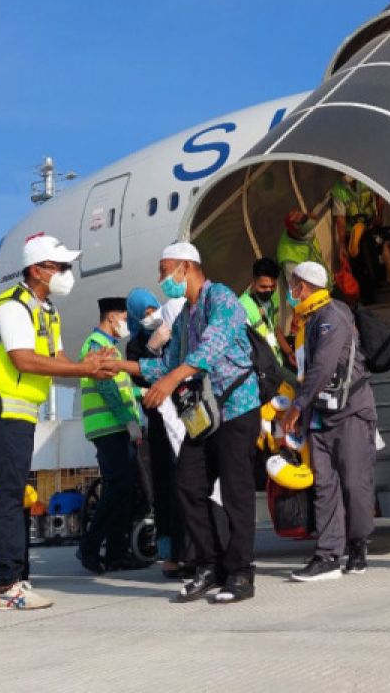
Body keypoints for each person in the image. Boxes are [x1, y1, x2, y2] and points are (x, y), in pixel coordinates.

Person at [0, 233, 119, 611]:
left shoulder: (46, 310)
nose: (68, 273)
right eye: (60, 266)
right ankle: (5, 586)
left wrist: (90, 369)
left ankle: (14, 578)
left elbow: (59, 357)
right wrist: (83, 367)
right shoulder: (13, 307)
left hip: (19, 411)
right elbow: (24, 360)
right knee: (6, 494)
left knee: (13, 492)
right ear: (36, 270)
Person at [109, 242, 261, 604]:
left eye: (166, 270)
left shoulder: (220, 298)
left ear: (187, 267)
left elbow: (211, 346)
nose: (163, 278)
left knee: (236, 490)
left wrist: (172, 379)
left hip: (237, 407)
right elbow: (164, 365)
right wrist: (121, 366)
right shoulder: (185, 317)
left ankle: (240, 572)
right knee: (187, 485)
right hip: (204, 415)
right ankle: (209, 565)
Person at [280, 261, 378, 581]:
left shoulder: (331, 316)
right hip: (321, 414)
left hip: (350, 411)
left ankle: (358, 545)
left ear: (304, 287)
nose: (291, 292)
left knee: (354, 482)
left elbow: (322, 368)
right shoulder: (307, 320)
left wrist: (296, 407)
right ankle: (327, 554)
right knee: (324, 484)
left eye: (293, 285)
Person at [76, 296, 150, 575]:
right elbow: (107, 389)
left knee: (123, 489)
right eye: (123, 317)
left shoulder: (110, 347)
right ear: (111, 317)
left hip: (115, 426)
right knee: (118, 487)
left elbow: (122, 388)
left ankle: (117, 553)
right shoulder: (98, 346)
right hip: (109, 427)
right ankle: (90, 546)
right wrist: (128, 421)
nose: (126, 324)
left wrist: (147, 393)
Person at [125, 287, 188, 579]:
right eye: (146, 314)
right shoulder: (135, 346)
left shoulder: (175, 332)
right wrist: (151, 348)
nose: (152, 317)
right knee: (165, 487)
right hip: (160, 425)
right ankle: (170, 555)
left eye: (154, 311)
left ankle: (192, 550)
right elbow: (139, 377)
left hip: (185, 418)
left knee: (189, 483)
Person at [330, 175, 382, 304]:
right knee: (359, 267)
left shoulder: (365, 177)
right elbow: (340, 220)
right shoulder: (338, 191)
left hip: (369, 226)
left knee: (374, 257)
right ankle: (368, 298)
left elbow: (380, 196)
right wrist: (342, 245)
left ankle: (378, 284)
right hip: (352, 234)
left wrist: (379, 216)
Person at [239, 257, 296, 368]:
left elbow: (274, 329)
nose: (268, 291)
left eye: (272, 287)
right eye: (263, 287)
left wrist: (289, 352)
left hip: (276, 361)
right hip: (263, 369)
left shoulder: (272, 299)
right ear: (253, 281)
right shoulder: (242, 307)